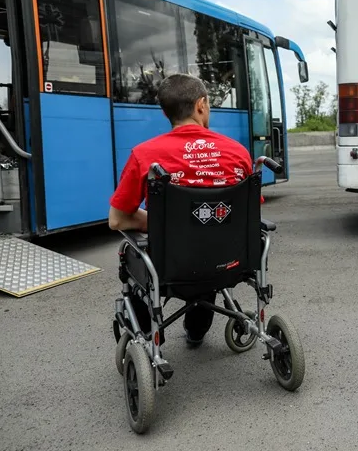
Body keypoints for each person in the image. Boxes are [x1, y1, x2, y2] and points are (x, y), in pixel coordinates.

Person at [108, 73, 255, 346]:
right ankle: (197, 330)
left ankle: (149, 335)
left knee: (134, 253)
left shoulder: (145, 154)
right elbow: (248, 212)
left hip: (169, 266)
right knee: (208, 242)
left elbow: (116, 220)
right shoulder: (238, 153)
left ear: (166, 112)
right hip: (230, 262)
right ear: (201, 105)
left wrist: (160, 222)